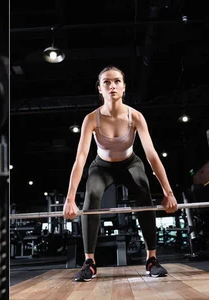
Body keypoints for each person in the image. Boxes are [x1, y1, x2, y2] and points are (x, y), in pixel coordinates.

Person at [63, 65, 178, 282]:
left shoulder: (135, 116)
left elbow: (152, 155)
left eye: (117, 81)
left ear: (124, 87)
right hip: (101, 167)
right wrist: (70, 199)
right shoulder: (91, 119)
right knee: (92, 195)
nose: (112, 85)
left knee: (143, 191)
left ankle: (152, 259)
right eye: (106, 82)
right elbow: (80, 158)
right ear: (100, 89)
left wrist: (168, 192)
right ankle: (89, 262)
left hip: (130, 163)